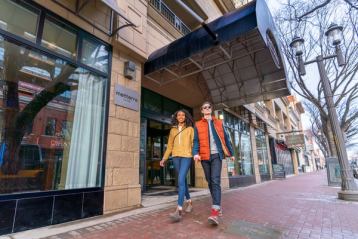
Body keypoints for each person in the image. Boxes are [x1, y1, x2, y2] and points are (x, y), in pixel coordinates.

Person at [193, 101, 234, 226]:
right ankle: (218, 204)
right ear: (201, 110)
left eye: (208, 107)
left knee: (215, 180)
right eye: (204, 107)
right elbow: (196, 141)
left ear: (211, 109)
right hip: (204, 157)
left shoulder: (218, 122)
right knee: (210, 181)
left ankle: (215, 211)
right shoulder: (198, 124)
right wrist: (195, 152)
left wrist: (231, 153)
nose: (207, 109)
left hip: (217, 155)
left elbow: (225, 138)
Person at [160, 109, 194, 222]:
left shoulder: (190, 129)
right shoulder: (173, 130)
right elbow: (169, 146)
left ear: (186, 117)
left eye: (183, 115)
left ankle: (178, 210)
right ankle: (189, 202)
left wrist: (196, 155)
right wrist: (164, 158)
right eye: (178, 115)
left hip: (187, 156)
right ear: (176, 117)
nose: (180, 116)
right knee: (182, 180)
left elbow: (194, 143)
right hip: (175, 157)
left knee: (180, 180)